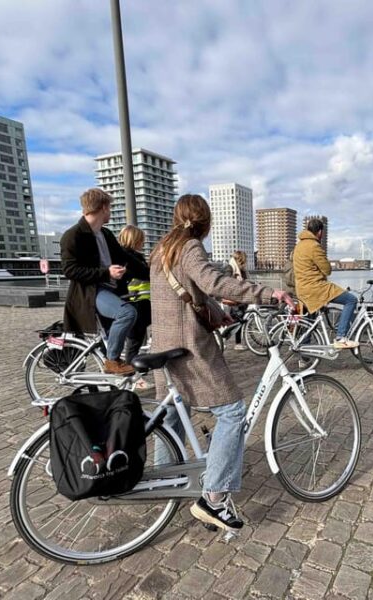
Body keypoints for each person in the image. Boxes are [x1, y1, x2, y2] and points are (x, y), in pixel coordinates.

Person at [149, 194, 293, 534]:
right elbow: (215, 282)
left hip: (163, 345)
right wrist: (270, 294)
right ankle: (213, 499)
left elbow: (186, 293)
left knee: (171, 417)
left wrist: (217, 313)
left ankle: (161, 480)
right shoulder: (190, 247)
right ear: (205, 221)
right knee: (230, 411)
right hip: (188, 350)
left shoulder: (161, 249)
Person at [61, 188, 149, 375]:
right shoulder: (73, 236)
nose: (110, 211)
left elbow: (125, 257)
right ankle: (112, 361)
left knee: (111, 339)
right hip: (91, 292)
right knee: (127, 314)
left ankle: (113, 383)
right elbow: (69, 270)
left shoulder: (105, 234)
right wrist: (105, 272)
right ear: (102, 208)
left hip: (111, 290)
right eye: (109, 207)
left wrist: (152, 274)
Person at [292, 218, 359, 349]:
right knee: (351, 300)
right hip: (316, 288)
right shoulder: (314, 246)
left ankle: (304, 356)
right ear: (320, 232)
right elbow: (327, 270)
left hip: (302, 289)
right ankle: (341, 337)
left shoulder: (298, 246)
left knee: (310, 322)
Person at [117, 225, 151, 364]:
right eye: (141, 240)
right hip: (136, 301)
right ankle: (132, 374)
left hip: (140, 300)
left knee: (136, 339)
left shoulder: (129, 256)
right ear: (135, 240)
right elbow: (145, 274)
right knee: (134, 340)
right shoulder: (130, 258)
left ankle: (136, 371)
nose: (143, 243)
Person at [224, 250, 249, 351]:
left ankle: (225, 340)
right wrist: (236, 279)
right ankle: (231, 341)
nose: (244, 263)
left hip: (241, 299)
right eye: (243, 261)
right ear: (240, 260)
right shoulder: (230, 268)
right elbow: (226, 283)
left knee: (236, 322)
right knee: (236, 321)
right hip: (234, 300)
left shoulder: (241, 269)